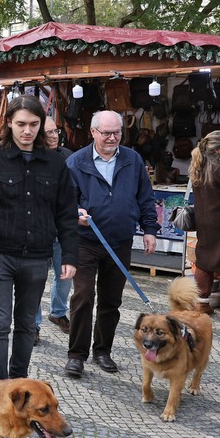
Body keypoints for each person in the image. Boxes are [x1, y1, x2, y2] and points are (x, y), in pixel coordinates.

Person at [0, 97, 78, 380]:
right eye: (20, 124)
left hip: (37, 257)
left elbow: (66, 213)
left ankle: (18, 382)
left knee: (27, 324)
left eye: (33, 124)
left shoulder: (56, 163)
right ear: (9, 124)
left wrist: (69, 256)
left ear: (41, 125)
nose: (27, 131)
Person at [64, 110, 158, 377]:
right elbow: (64, 203)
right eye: (106, 133)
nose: (112, 138)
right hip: (86, 241)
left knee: (111, 300)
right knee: (83, 297)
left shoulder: (132, 160)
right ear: (93, 132)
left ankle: (102, 351)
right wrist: (75, 214)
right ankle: (76, 355)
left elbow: (145, 197)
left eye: (117, 132)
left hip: (119, 241)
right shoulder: (75, 162)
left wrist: (149, 229)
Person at [35, 117, 75, 341]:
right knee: (36, 279)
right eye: (48, 132)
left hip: (62, 228)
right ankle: (33, 325)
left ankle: (58, 312)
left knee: (65, 276)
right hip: (39, 229)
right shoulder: (32, 158)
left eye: (55, 131)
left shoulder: (68, 156)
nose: (54, 136)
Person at [189, 130, 220, 315]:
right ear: (217, 149)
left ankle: (202, 304)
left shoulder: (199, 163)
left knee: (204, 261)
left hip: (204, 220)